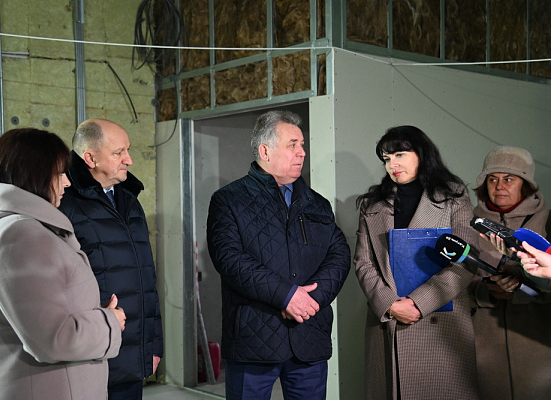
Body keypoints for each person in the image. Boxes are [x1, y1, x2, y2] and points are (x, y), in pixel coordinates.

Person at [0, 128, 125, 400]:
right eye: (59, 174)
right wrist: (110, 322)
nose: (66, 183)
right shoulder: (21, 236)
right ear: (34, 174)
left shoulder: (9, 230)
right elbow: (53, 339)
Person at [206, 110, 351, 400]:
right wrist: (287, 296)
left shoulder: (317, 203)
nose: (302, 152)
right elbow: (230, 260)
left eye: (302, 145)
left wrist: (310, 300)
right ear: (265, 151)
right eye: (292, 145)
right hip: (253, 341)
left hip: (309, 335)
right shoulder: (229, 200)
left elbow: (339, 254)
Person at [353, 125, 479, 400]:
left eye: (399, 155)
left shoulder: (453, 197)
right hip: (387, 319)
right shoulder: (373, 204)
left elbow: (466, 260)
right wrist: (390, 304)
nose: (392, 165)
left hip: (440, 322)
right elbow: (363, 262)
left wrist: (418, 303)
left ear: (421, 154)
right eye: (386, 159)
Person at [58, 119, 163, 400]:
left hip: (132, 353)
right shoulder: (64, 204)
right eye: (119, 153)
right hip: (91, 354)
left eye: (127, 150)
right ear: (90, 158)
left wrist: (152, 346)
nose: (129, 160)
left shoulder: (129, 200)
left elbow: (145, 278)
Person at [469, 146, 551, 400]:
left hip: (539, 349)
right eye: (492, 179)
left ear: (526, 185)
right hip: (483, 351)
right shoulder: (467, 223)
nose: (499, 186)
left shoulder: (548, 222)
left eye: (509, 179)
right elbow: (452, 282)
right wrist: (486, 292)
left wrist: (521, 285)